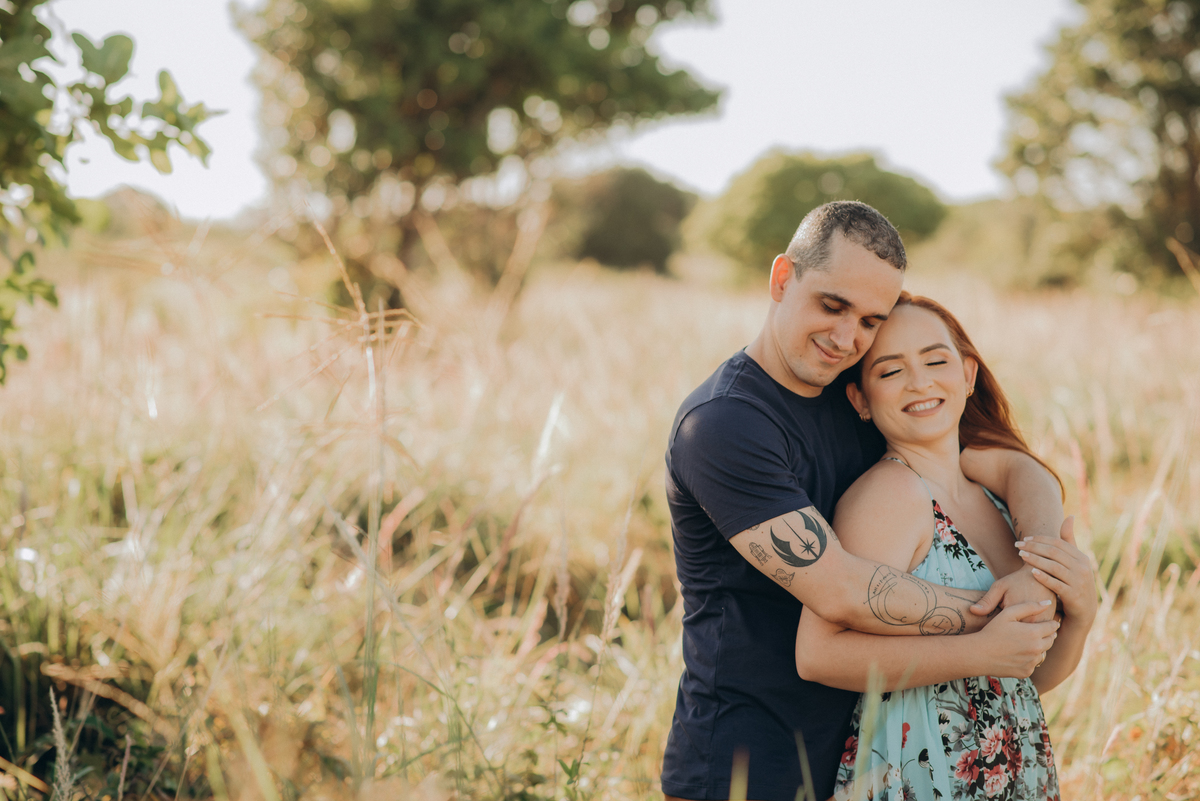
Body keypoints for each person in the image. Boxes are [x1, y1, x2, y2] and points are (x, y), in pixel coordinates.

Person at [662, 201, 1067, 801]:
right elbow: (844, 591)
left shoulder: (855, 392)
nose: (846, 336)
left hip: (866, 758)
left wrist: (1039, 563)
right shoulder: (725, 425)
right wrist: (998, 622)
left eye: (871, 319)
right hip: (749, 764)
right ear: (782, 279)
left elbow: (1010, 464)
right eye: (832, 305)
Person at [796, 294, 1096, 800]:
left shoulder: (994, 497)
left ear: (968, 373)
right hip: (925, 775)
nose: (920, 382)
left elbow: (1026, 680)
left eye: (936, 361)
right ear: (861, 400)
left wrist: (1082, 613)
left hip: (1010, 769)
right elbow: (817, 655)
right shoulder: (890, 496)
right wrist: (977, 650)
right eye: (890, 372)